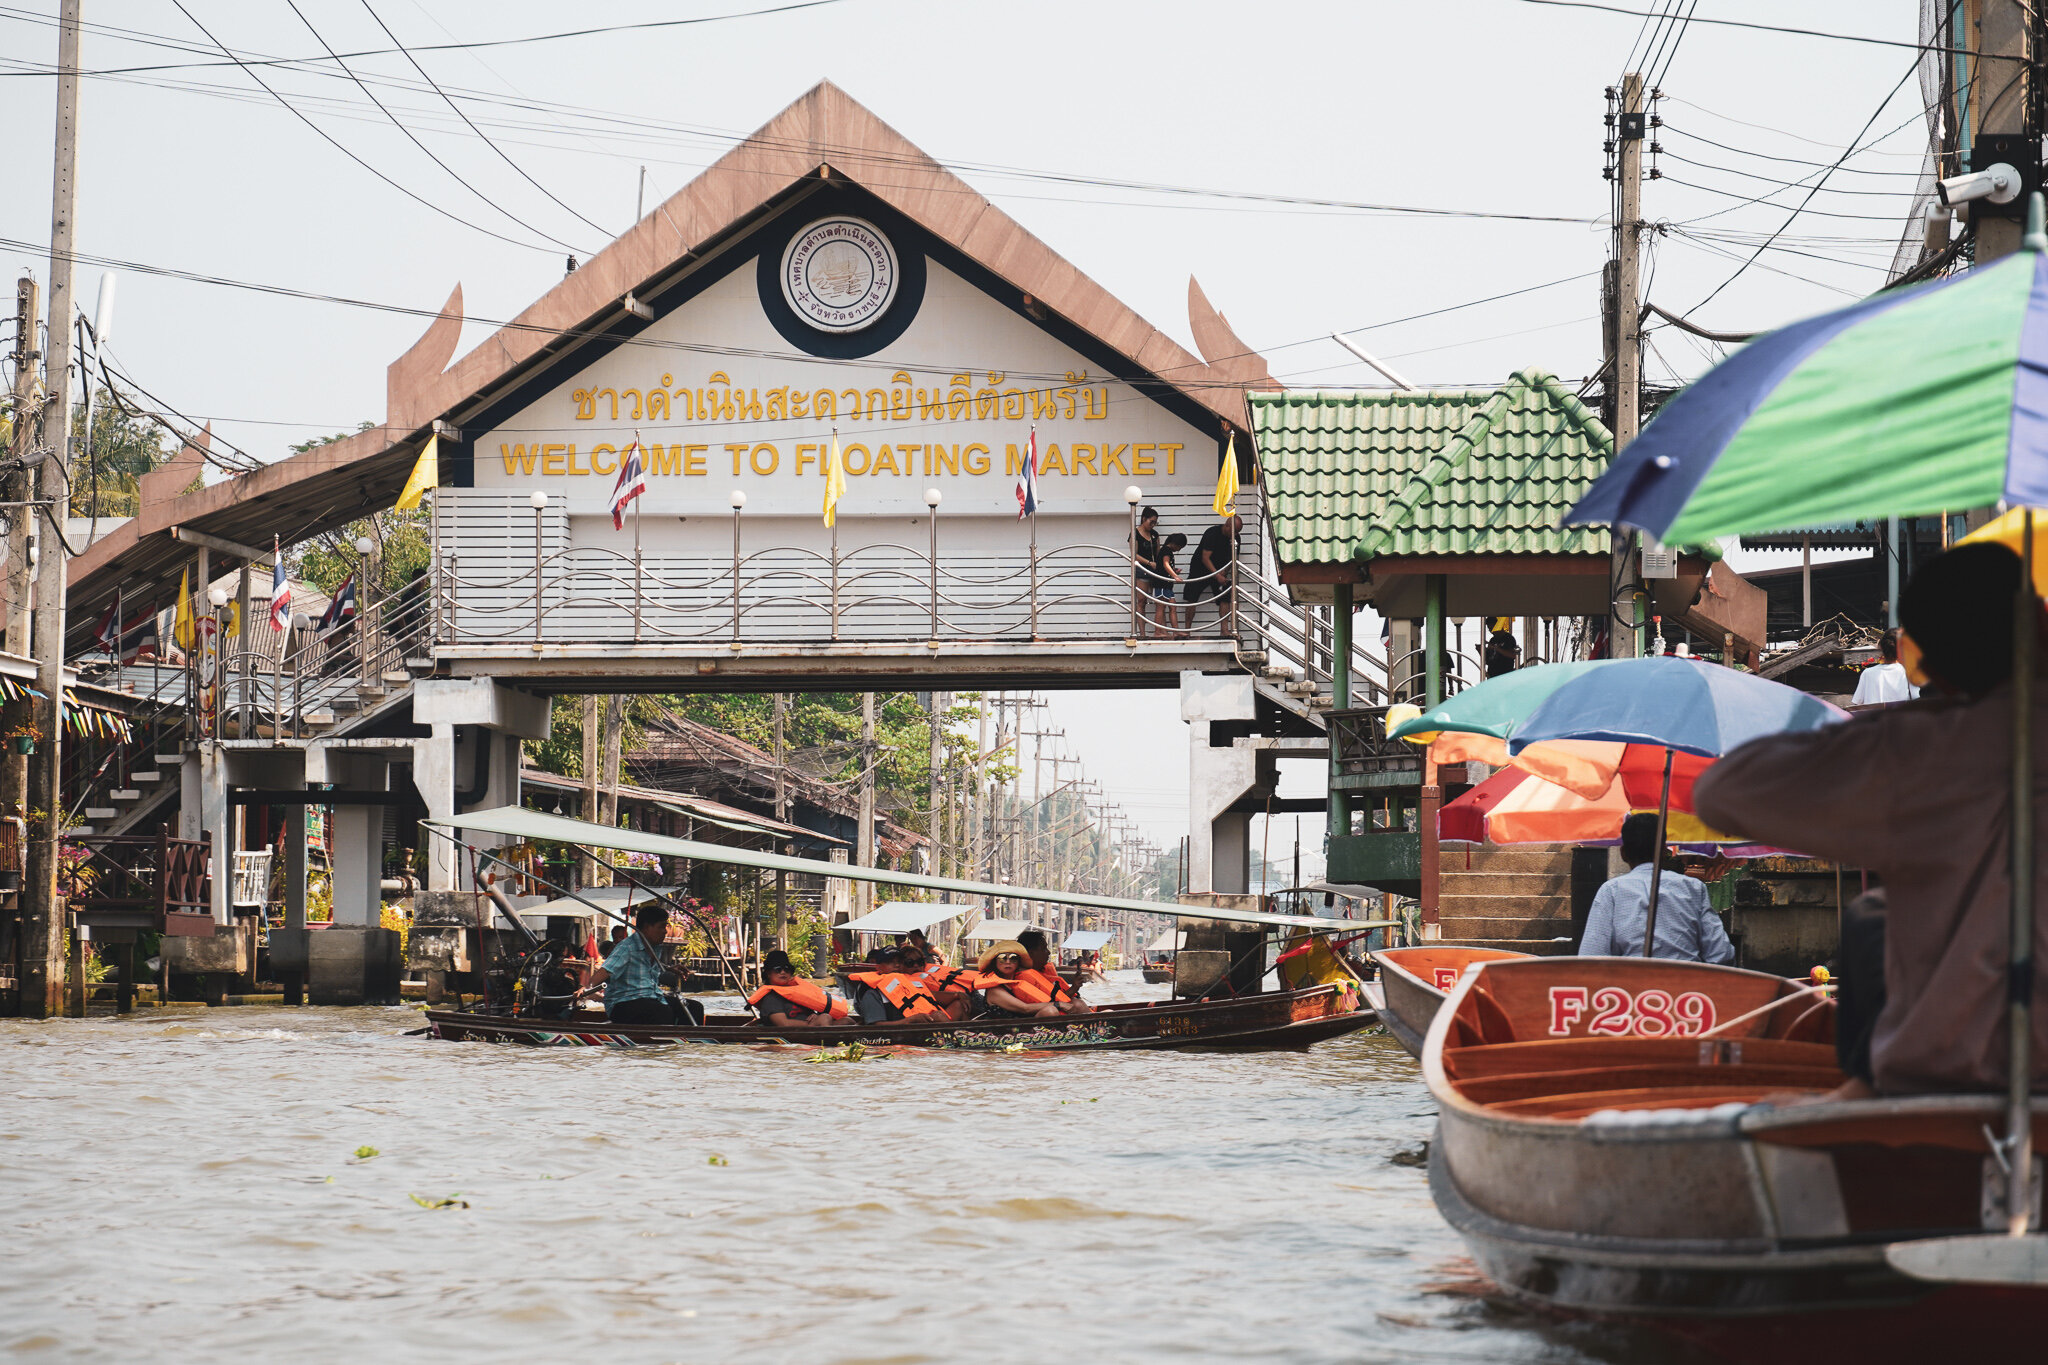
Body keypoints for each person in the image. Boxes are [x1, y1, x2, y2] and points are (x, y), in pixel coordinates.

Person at [1695, 542, 2048, 1099]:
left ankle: (1862, 1089)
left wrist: (1927, 718)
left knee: (1872, 917)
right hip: (1980, 1071)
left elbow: (1722, 790)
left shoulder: (1924, 746)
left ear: (1924, 658)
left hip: (1941, 1076)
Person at [1577, 813, 1734, 963]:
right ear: (1665, 851)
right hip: (1685, 985)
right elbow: (1721, 954)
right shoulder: (1693, 888)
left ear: (1624, 854)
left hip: (1631, 987)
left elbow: (1591, 955)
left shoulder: (1611, 890)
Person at [578, 904, 688, 1025]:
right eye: (661, 927)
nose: (665, 932)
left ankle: (689, 1040)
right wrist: (586, 988)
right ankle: (661, 1040)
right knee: (661, 1011)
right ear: (646, 928)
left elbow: (644, 968)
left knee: (693, 1008)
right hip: (623, 1003)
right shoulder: (627, 948)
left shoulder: (655, 948)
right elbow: (605, 971)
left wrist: (669, 969)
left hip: (651, 997)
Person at [747, 949, 848, 1028]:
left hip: (815, 1025)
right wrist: (811, 1025)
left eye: (787, 969)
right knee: (825, 1018)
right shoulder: (771, 998)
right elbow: (783, 1024)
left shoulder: (797, 992)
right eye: (778, 970)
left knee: (847, 1021)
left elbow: (812, 1014)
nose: (783, 972)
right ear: (768, 974)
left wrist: (815, 1016)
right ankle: (828, 1047)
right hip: (800, 1030)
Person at [971, 941, 1061, 1018]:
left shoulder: (1023, 981)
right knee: (1050, 1011)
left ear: (1018, 963)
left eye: (1013, 958)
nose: (1008, 962)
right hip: (1007, 1032)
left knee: (1073, 1004)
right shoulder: (994, 990)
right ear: (995, 962)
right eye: (1002, 958)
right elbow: (1025, 1008)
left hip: (1026, 1024)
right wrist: (1059, 1004)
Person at [1186, 514, 1241, 633]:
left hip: (1220, 569)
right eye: (1234, 531)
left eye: (1237, 532)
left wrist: (1224, 572)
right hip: (1200, 568)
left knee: (1226, 596)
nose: (1236, 534)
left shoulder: (1236, 538)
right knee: (1192, 596)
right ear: (1227, 526)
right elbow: (1205, 558)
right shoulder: (1212, 533)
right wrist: (1217, 575)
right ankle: (1187, 630)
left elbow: (1233, 559)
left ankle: (1224, 630)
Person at [1016, 928, 1092, 1014]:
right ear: (1030, 952)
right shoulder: (1024, 978)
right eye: (1044, 948)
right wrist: (1073, 989)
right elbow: (1051, 1002)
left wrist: (1074, 987)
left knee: (1078, 1003)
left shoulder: (1041, 973)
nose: (1048, 952)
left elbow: (1058, 998)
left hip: (1061, 1011)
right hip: (1043, 1018)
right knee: (1077, 1004)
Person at [1850, 626, 1918, 706]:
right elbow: (1917, 698)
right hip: (1901, 717)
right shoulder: (1909, 672)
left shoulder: (1867, 673)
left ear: (1881, 647)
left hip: (1874, 717)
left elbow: (1857, 703)